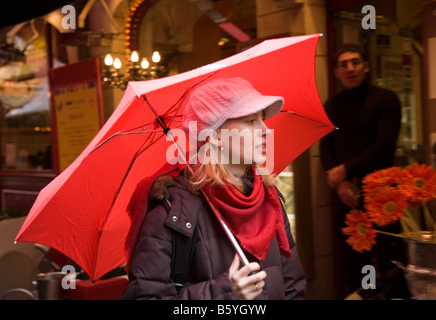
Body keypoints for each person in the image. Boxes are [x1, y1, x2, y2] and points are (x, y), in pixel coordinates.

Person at [122, 77, 306, 300]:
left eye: (262, 118)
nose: (265, 130)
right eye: (250, 121)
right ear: (216, 136)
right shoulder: (174, 212)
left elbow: (293, 288)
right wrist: (224, 293)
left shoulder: (269, 199)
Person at [320, 46, 405, 299]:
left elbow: (384, 146)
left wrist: (343, 170)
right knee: (353, 260)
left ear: (365, 66)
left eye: (355, 62)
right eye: (344, 64)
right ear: (335, 71)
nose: (350, 68)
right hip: (346, 194)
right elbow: (325, 147)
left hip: (383, 194)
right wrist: (340, 183)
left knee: (392, 259)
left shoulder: (386, 99)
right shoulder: (332, 105)